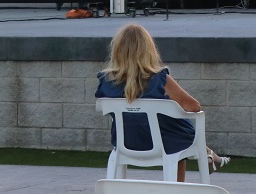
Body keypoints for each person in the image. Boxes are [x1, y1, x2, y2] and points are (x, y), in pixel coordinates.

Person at [95, 24, 229, 181]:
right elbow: (194, 106)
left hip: (126, 143)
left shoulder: (105, 81)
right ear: (148, 49)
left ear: (116, 49)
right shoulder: (159, 78)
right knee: (177, 128)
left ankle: (210, 156)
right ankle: (206, 158)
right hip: (163, 144)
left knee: (171, 126)